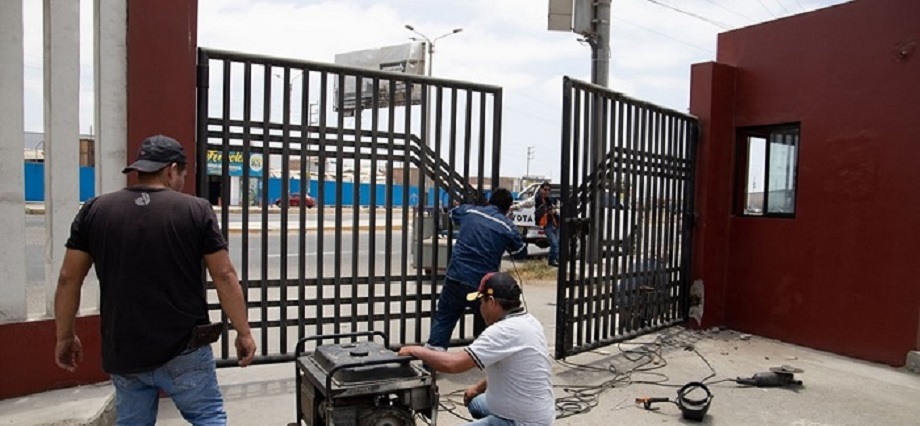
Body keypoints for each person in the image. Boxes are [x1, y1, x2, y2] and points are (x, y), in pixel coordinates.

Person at [53, 135, 256, 425]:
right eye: (183, 174)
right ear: (172, 169)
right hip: (184, 348)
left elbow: (67, 278)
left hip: (124, 349)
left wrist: (64, 336)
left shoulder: (95, 210)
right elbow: (224, 275)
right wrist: (243, 331)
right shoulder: (196, 210)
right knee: (208, 418)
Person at [400, 272, 555, 425]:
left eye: (482, 302)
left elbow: (454, 364)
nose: (480, 308)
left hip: (521, 422)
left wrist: (416, 351)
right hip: (538, 412)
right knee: (475, 402)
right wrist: (477, 388)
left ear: (492, 302)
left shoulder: (504, 331)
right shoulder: (529, 321)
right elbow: (514, 371)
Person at [426, 188, 526, 351]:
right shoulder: (507, 226)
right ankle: (486, 357)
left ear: (490, 200)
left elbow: (452, 213)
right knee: (490, 322)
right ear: (508, 207)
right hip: (481, 285)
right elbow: (521, 253)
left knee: (444, 319)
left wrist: (469, 204)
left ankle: (431, 362)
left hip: (455, 277)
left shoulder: (470, 212)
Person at [514, 182, 560, 267]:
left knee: (558, 244)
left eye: (548, 190)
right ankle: (552, 261)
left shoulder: (553, 200)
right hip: (547, 225)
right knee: (554, 243)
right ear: (540, 189)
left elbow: (561, 208)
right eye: (545, 189)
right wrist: (514, 207)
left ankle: (553, 260)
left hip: (557, 224)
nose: (546, 192)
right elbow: (525, 203)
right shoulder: (536, 199)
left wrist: (555, 211)